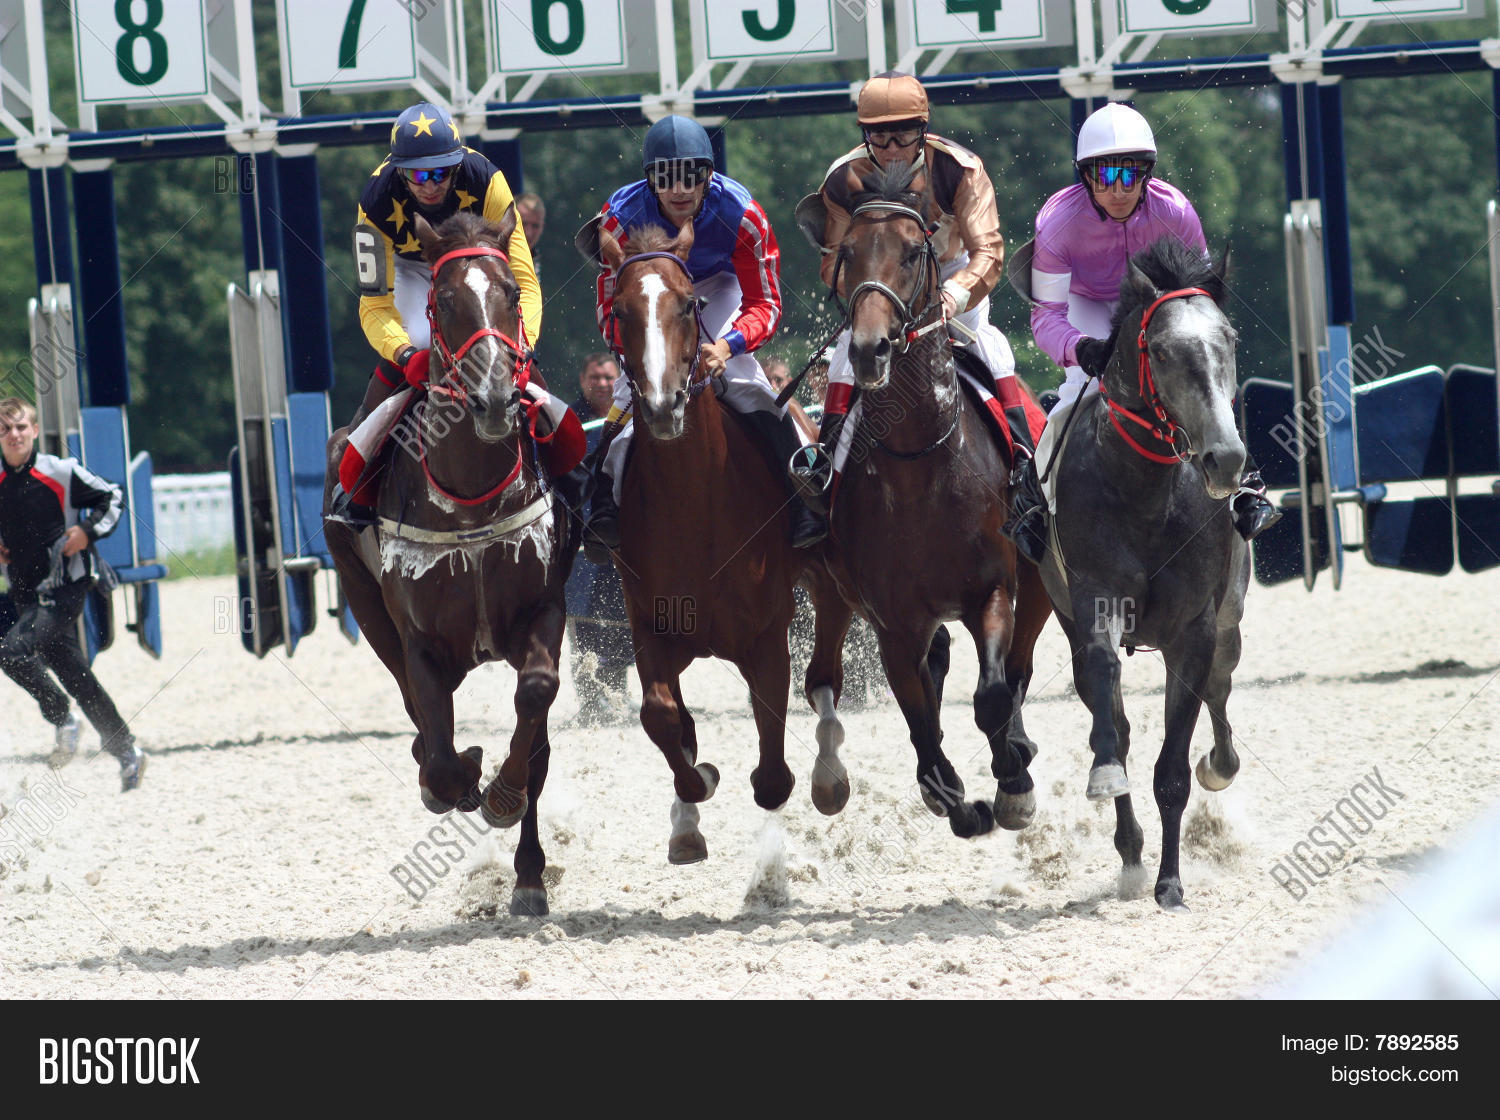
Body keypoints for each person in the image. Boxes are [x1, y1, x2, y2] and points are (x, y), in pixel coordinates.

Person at [1003, 101, 1281, 563]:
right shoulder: (1057, 222)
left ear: (1146, 174)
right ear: (1087, 177)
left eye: (1129, 177)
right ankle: (1036, 500)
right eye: (1105, 177)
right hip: (1087, 303)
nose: (1117, 190)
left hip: (1156, 301)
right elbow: (1045, 316)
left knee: (1203, 368)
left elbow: (1200, 300)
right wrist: (1080, 348)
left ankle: (1244, 485)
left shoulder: (1175, 211)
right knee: (1078, 390)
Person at [583, 115, 826, 554]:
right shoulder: (616, 219)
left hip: (719, 284)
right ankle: (604, 506)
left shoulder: (743, 213)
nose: (679, 190)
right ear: (650, 180)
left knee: (748, 386)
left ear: (708, 175)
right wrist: (640, 355)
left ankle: (800, 501)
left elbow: (766, 303)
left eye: (690, 176)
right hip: (651, 295)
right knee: (625, 397)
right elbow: (610, 306)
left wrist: (726, 347)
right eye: (666, 178)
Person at [335, 101, 582, 524]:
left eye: (441, 172)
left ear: (457, 164)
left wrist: (519, 346)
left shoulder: (487, 181)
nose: (430, 185)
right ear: (399, 172)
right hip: (412, 270)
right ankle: (360, 476)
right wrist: (403, 356)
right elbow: (375, 302)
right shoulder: (373, 203)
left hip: (476, 265)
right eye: (417, 175)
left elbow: (520, 278)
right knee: (421, 341)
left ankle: (571, 475)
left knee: (505, 347)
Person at [798, 71, 1036, 495]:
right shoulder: (842, 178)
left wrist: (950, 297)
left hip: (950, 273)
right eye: (879, 136)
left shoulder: (959, 169)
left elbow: (989, 252)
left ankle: (1023, 466)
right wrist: (869, 299)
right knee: (843, 359)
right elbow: (833, 261)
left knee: (991, 347)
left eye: (903, 135)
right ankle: (823, 471)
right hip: (879, 281)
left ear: (923, 129)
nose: (891, 149)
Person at [0, 398, 145, 791]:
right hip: (23, 592)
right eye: (4, 429)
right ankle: (128, 750)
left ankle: (62, 716)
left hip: (66, 587)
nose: (13, 435)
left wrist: (88, 531)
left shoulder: (61, 473)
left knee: (11, 651)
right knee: (74, 672)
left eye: (20, 427)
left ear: (33, 431)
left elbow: (113, 497)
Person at [565, 354, 634, 724]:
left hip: (622, 537)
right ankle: (590, 700)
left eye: (609, 377)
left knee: (621, 619)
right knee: (582, 622)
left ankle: (617, 692)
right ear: (583, 380)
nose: (603, 384)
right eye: (596, 377)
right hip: (581, 540)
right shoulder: (568, 420)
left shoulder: (633, 416)